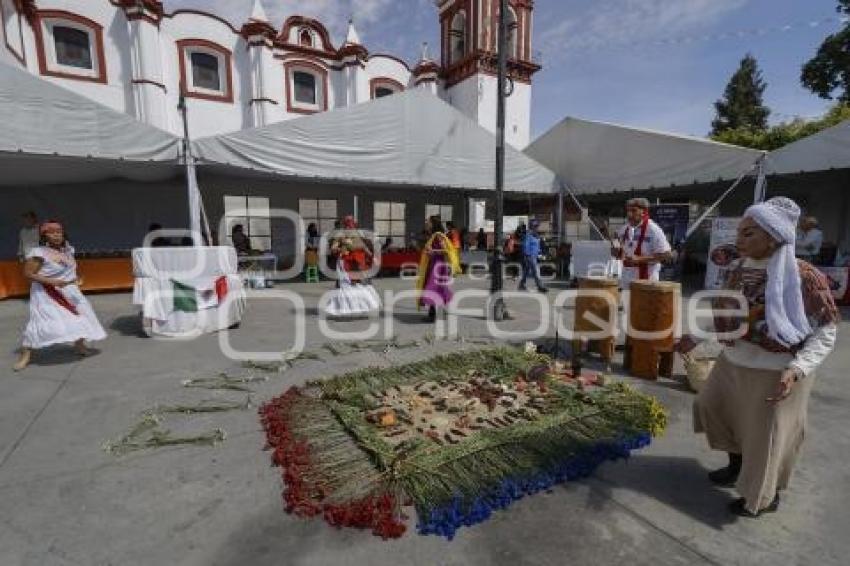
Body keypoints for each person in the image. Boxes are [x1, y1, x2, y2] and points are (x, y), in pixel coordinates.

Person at [688, 197, 839, 518]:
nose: (739, 241)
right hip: (733, 361)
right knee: (712, 407)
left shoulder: (804, 276)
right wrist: (692, 338)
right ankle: (737, 465)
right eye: (740, 233)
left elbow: (826, 331)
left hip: (777, 370)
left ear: (773, 236)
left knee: (766, 438)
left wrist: (798, 368)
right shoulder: (740, 268)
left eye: (749, 234)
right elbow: (724, 311)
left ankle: (764, 497)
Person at [14, 221, 107, 371]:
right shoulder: (39, 252)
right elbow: (28, 274)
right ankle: (25, 356)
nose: (57, 235)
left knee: (82, 316)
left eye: (59, 231)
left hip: (71, 291)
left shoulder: (67, 250)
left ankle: (80, 346)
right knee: (42, 323)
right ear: (45, 235)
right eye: (52, 232)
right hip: (48, 293)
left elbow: (69, 271)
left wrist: (76, 279)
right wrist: (52, 281)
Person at [324, 215, 380, 317]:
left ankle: (362, 307)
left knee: (360, 285)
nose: (350, 226)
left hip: (357, 264)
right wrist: (341, 249)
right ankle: (344, 309)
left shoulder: (357, 234)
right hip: (344, 263)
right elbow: (333, 249)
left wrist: (372, 257)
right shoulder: (340, 234)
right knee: (345, 285)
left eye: (351, 223)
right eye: (348, 223)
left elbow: (363, 247)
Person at [616, 197, 672, 288]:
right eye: (628, 211)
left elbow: (667, 255)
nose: (629, 214)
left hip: (646, 282)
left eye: (634, 211)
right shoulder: (625, 229)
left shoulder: (653, 230)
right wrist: (616, 251)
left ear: (644, 212)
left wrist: (640, 259)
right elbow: (620, 252)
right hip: (626, 280)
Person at [416, 216, 460, 322]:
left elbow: (446, 250)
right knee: (436, 288)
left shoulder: (438, 235)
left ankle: (433, 315)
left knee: (432, 288)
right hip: (434, 265)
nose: (426, 223)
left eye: (428, 222)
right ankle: (437, 313)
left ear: (433, 224)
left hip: (438, 266)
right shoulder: (433, 235)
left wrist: (433, 251)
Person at [519, 219, 548, 292]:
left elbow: (537, 246)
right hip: (530, 256)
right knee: (536, 271)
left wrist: (540, 253)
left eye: (537, 226)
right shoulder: (529, 235)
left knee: (526, 272)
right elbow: (525, 245)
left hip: (534, 255)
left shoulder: (536, 235)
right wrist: (527, 255)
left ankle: (522, 284)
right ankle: (540, 286)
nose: (537, 227)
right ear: (532, 226)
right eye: (536, 226)